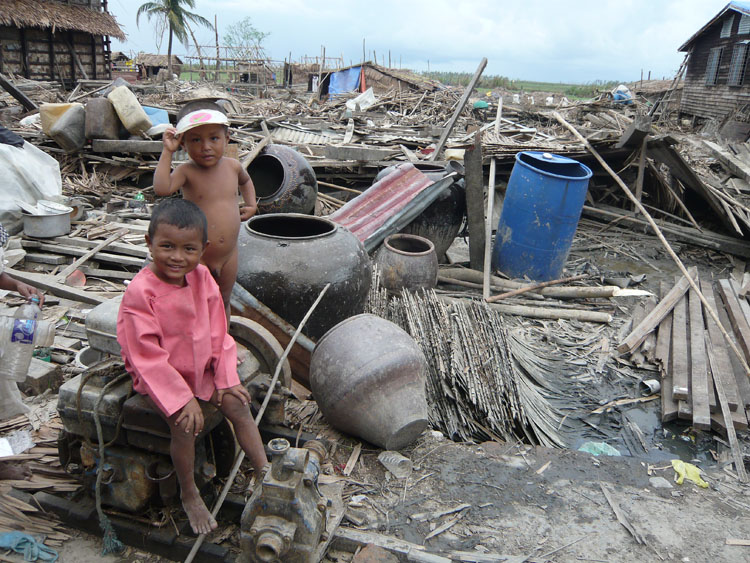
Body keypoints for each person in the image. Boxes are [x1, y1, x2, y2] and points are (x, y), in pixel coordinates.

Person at [116, 200, 268, 535]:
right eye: (167, 246)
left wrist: (225, 378)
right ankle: (189, 492)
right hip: (162, 379)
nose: (177, 257)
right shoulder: (141, 294)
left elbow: (218, 331)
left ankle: (264, 473)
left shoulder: (201, 278)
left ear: (203, 250)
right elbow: (147, 356)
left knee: (238, 404)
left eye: (188, 249)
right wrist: (183, 399)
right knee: (184, 426)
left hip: (200, 367)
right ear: (149, 242)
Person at [153, 101, 257, 325]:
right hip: (197, 258)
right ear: (183, 144)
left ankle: (222, 346)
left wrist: (251, 204)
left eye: (214, 138)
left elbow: (246, 181)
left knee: (224, 300)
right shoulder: (186, 171)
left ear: (227, 138)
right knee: (195, 303)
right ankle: (196, 346)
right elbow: (162, 188)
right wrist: (167, 152)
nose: (206, 146)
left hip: (229, 255)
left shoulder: (233, 167)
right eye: (196, 140)